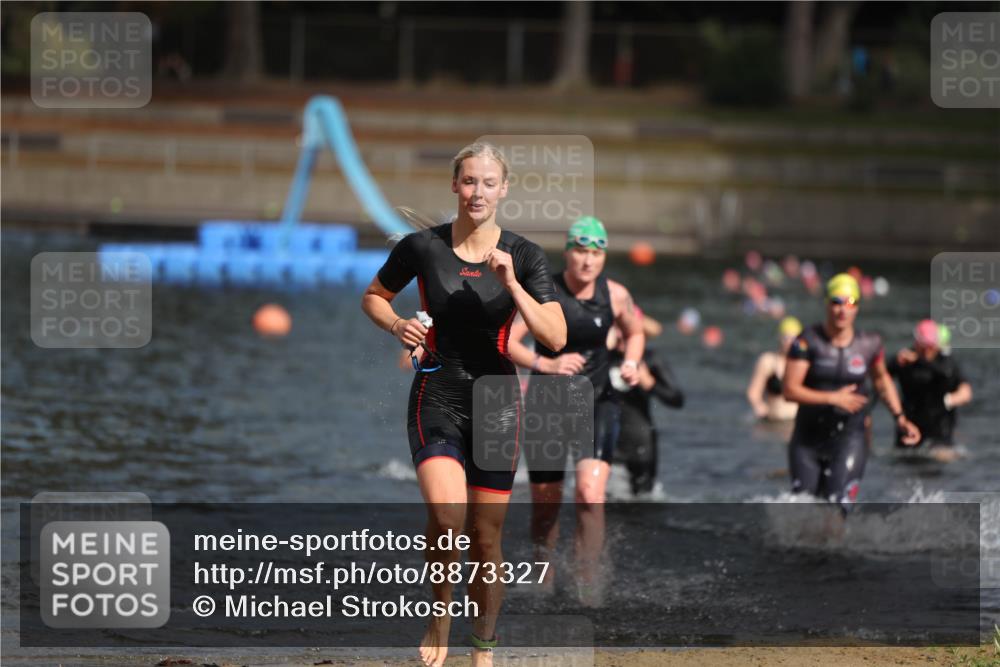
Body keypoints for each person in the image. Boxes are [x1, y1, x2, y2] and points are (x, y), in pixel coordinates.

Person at [361, 142, 567, 667]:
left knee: (486, 537)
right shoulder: (422, 248)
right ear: (455, 185)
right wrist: (397, 324)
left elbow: (556, 336)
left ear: (503, 190)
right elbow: (374, 296)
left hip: (498, 401)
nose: (477, 192)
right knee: (448, 515)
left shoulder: (524, 256)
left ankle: (483, 648)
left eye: (488, 183)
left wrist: (512, 284)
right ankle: (440, 615)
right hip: (438, 391)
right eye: (469, 181)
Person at [506, 216, 644, 602]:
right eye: (581, 251)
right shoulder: (542, 290)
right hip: (547, 404)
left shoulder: (615, 294)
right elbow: (509, 341)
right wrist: (546, 364)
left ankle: (587, 580)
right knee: (546, 505)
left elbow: (635, 333)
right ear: (568, 252)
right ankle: (542, 576)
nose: (587, 261)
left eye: (596, 253)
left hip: (598, 401)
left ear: (603, 256)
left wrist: (631, 362)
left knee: (588, 492)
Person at [782, 273, 920, 515]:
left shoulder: (870, 344)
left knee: (837, 508)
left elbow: (881, 379)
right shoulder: (807, 342)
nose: (842, 310)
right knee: (804, 513)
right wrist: (832, 398)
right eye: (836, 301)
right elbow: (789, 390)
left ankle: (836, 551)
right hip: (808, 441)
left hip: (850, 439)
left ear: (857, 307)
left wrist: (900, 417)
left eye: (850, 302)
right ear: (826, 303)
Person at [608, 306, 685, 496]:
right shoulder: (602, 356)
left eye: (625, 330)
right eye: (617, 328)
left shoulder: (651, 359)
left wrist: (649, 383)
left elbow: (677, 399)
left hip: (641, 445)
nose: (620, 335)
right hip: (608, 445)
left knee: (643, 507)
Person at [888, 319, 973, 462]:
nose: (928, 350)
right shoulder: (904, 361)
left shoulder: (944, 362)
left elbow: (954, 379)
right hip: (910, 428)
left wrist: (950, 400)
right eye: (924, 347)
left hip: (939, 430)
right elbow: (881, 380)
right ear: (916, 343)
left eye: (931, 346)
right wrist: (894, 362)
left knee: (941, 460)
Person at [746, 316, 802, 422]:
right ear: (780, 337)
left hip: (794, 423)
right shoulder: (768, 361)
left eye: (793, 339)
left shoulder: (802, 364)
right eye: (786, 338)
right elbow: (753, 393)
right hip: (773, 421)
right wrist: (760, 408)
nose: (789, 343)